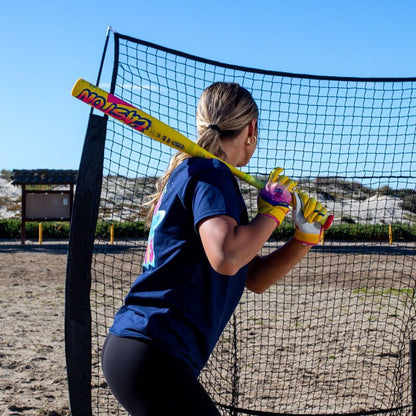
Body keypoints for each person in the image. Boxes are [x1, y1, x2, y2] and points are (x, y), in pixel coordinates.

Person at [101, 82, 330, 415]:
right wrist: (273, 212)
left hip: (145, 352)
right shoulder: (211, 173)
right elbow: (226, 257)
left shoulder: (201, 174)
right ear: (251, 129)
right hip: (152, 350)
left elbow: (253, 276)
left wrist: (303, 238)